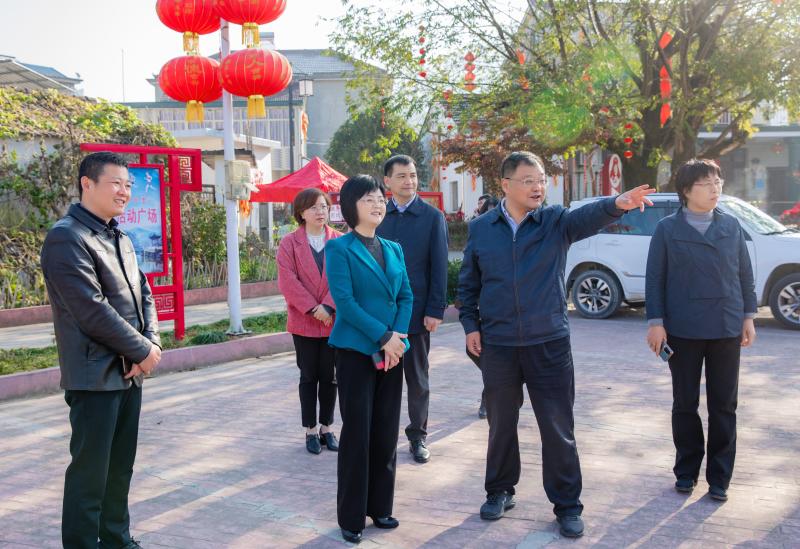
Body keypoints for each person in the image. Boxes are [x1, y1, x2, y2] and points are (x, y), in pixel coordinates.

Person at [458, 151, 654, 538]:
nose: (537, 187)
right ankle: (499, 490)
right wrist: (470, 325)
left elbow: (588, 217)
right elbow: (469, 284)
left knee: (558, 427)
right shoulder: (482, 228)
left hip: (548, 341)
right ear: (506, 185)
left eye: (542, 179)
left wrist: (617, 204)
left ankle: (567, 505)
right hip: (499, 344)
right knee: (501, 424)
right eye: (528, 180)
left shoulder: (554, 222)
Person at [40, 151, 162, 549]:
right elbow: (91, 310)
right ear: (87, 184)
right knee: (90, 474)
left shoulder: (119, 236)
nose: (125, 191)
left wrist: (153, 343)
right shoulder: (66, 237)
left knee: (119, 469)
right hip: (95, 376)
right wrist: (141, 349)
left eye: (128, 185)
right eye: (116, 183)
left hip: (130, 373)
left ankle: (116, 539)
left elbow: (144, 293)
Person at [645, 158, 757, 502]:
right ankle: (686, 471)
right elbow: (656, 278)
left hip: (725, 325)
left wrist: (748, 316)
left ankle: (720, 477)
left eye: (718, 182)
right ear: (685, 190)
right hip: (683, 328)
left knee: (724, 405)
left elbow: (744, 274)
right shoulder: (667, 228)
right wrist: (656, 323)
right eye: (706, 183)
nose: (715, 189)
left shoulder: (732, 226)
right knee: (685, 403)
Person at [325, 175, 413, 544]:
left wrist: (398, 341)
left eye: (380, 198)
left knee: (385, 432)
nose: (377, 204)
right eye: (368, 199)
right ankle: (351, 517)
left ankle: (381, 507)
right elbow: (345, 304)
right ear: (350, 207)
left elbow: (406, 296)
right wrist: (383, 337)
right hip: (356, 353)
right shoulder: (339, 249)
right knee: (358, 435)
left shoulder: (393, 248)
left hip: (392, 354)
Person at [376, 154, 448, 463]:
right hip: (380, 316)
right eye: (402, 176)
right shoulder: (378, 216)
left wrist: (435, 309)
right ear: (387, 182)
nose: (410, 181)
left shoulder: (432, 218)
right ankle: (381, 437)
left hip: (417, 315)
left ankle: (418, 437)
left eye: (413, 175)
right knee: (382, 378)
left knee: (417, 379)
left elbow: (439, 266)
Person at [277, 188, 342, 455]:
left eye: (324, 207)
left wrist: (328, 305)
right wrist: (314, 308)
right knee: (308, 376)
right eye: (314, 207)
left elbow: (343, 278)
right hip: (304, 321)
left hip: (332, 320)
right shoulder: (289, 243)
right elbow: (287, 281)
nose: (320, 212)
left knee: (331, 377)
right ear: (301, 212)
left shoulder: (339, 241)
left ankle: (327, 427)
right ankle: (310, 430)